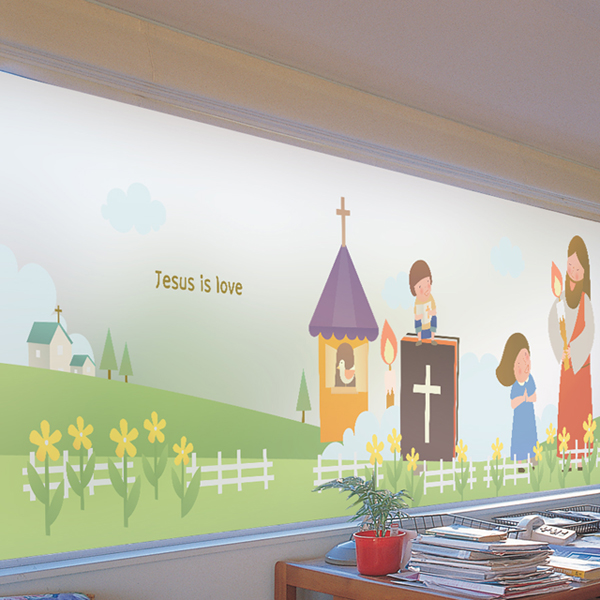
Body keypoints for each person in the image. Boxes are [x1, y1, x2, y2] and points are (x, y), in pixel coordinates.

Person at [549, 235, 594, 453]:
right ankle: (566, 453)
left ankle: (582, 453)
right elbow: (553, 326)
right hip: (567, 367)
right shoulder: (561, 300)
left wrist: (573, 349)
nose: (573, 271)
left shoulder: (585, 300)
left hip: (581, 365)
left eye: (578, 268)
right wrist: (562, 351)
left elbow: (589, 331)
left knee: (580, 409)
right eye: (570, 266)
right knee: (567, 408)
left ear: (584, 271)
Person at [496, 333, 538, 461]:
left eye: (526, 357)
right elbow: (513, 403)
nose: (525, 364)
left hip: (529, 416)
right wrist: (523, 399)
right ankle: (519, 461)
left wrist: (527, 398)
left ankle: (533, 457)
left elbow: (534, 397)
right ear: (513, 368)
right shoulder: (516, 386)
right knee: (519, 438)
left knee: (531, 436)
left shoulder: (530, 380)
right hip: (520, 418)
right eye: (519, 363)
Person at [409, 260, 437, 346]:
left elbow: (434, 311)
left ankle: (432, 338)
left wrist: (431, 313)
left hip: (429, 321)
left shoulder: (431, 298)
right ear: (414, 290)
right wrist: (419, 316)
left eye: (427, 282)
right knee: (417, 321)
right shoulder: (417, 302)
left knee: (434, 318)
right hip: (422, 323)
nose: (425, 288)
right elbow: (416, 315)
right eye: (420, 286)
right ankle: (419, 339)